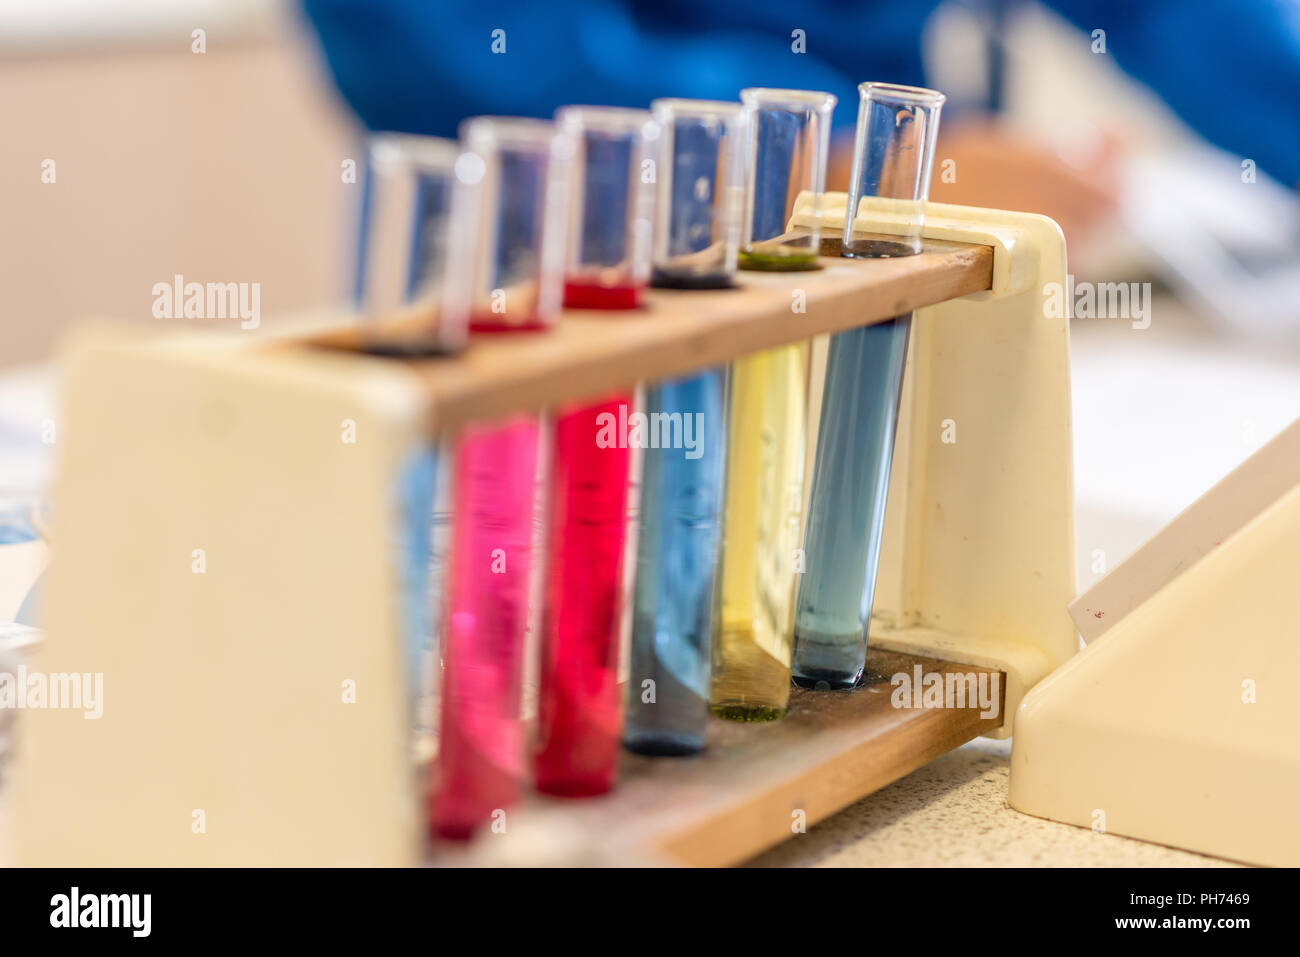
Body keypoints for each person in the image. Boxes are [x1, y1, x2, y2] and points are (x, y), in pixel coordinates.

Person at [301, 0, 1300, 246]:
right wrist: (870, 173)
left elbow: (1195, 23)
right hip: (538, 277)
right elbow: (463, 72)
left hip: (869, 315)